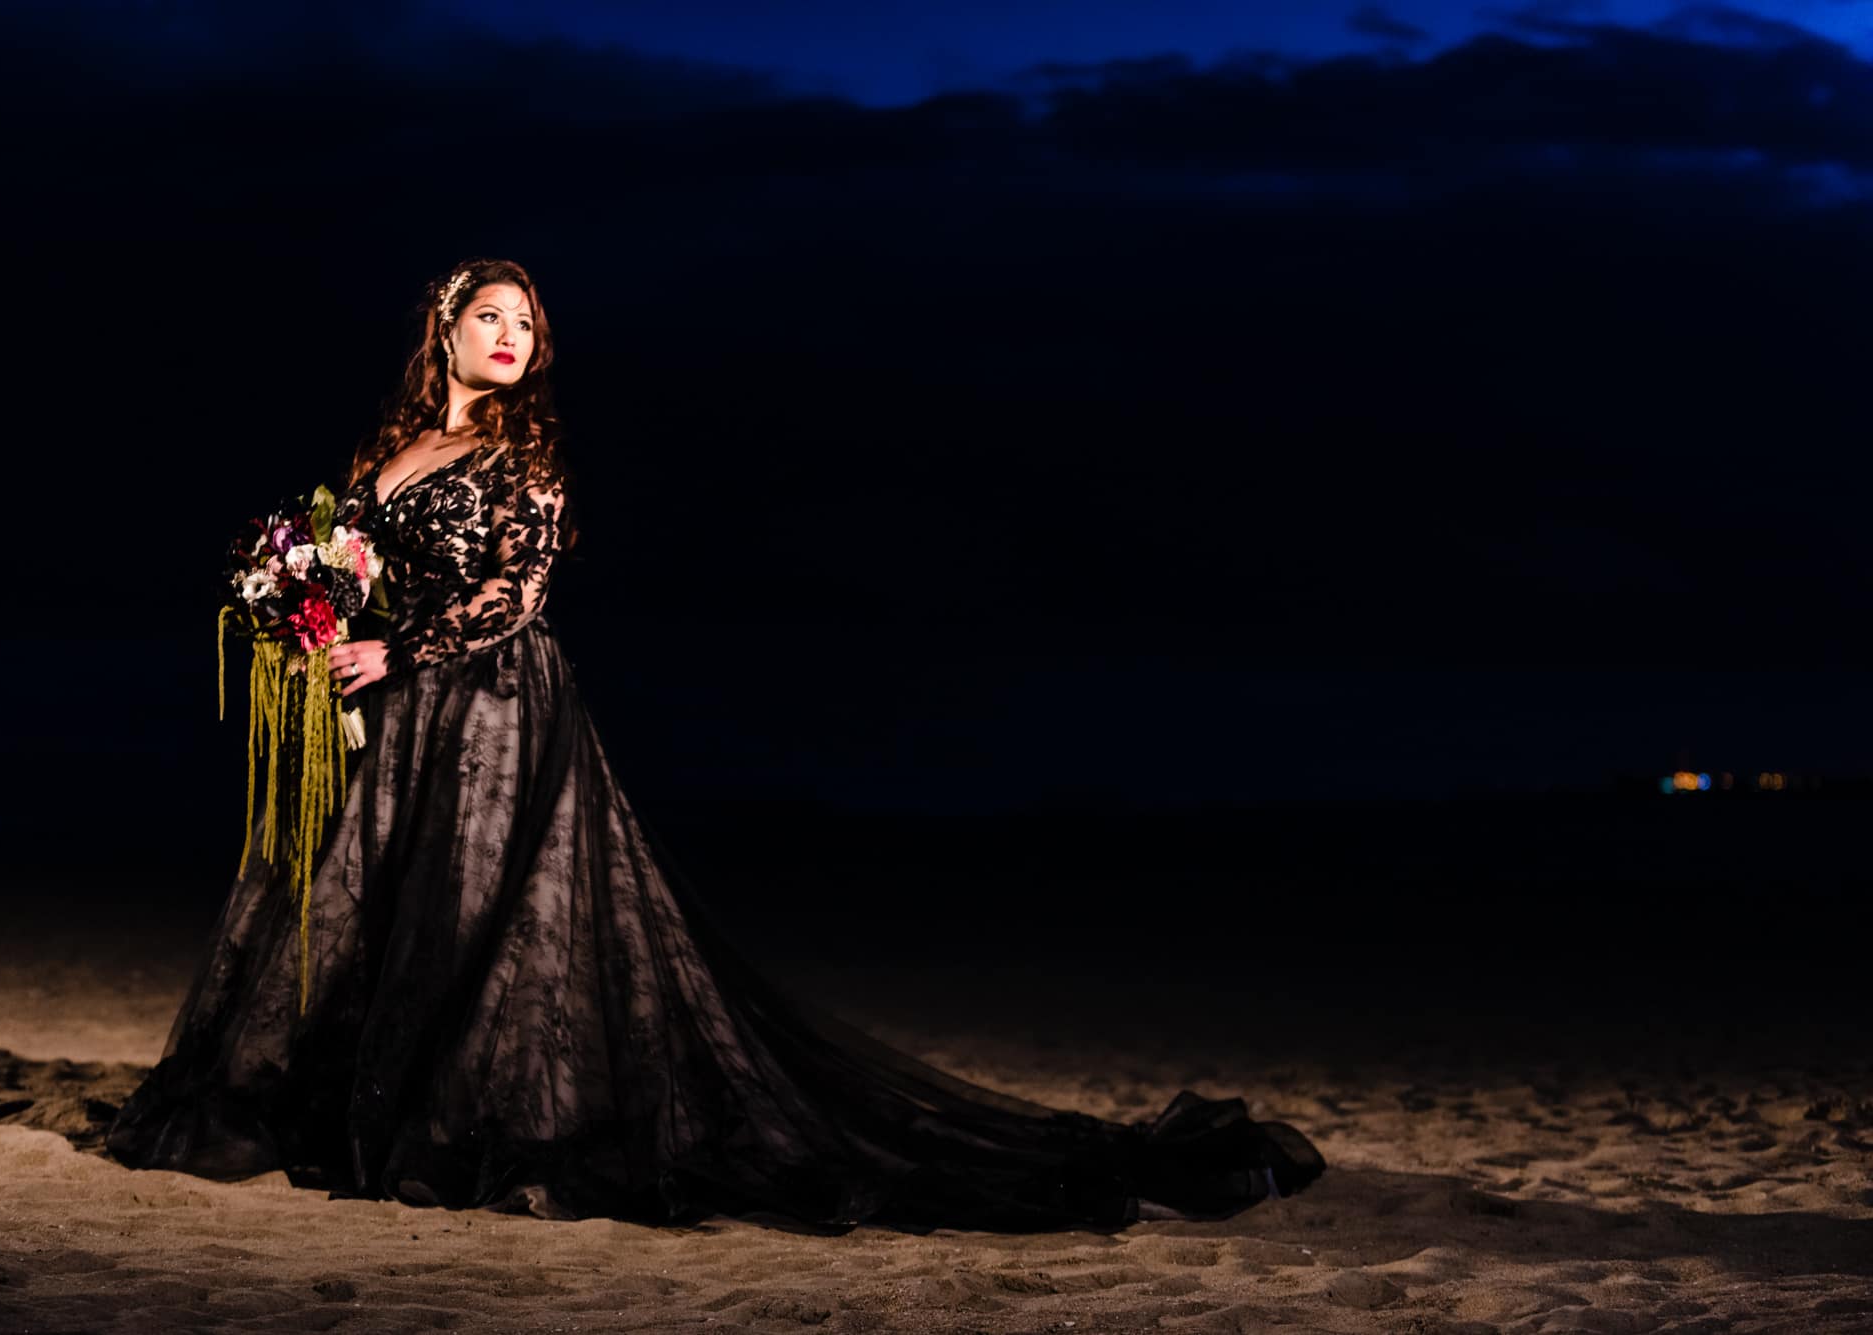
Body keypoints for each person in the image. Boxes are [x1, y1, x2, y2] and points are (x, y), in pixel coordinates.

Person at [105, 257, 1326, 1232]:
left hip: (490, 709)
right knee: (363, 904)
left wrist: (400, 651)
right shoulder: (389, 453)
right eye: (489, 316)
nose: (511, 336)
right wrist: (311, 613)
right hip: (392, 713)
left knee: (475, 918)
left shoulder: (520, 458)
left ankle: (461, 1118)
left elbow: (516, 596)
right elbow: (368, 569)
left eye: (526, 321)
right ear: (443, 329)